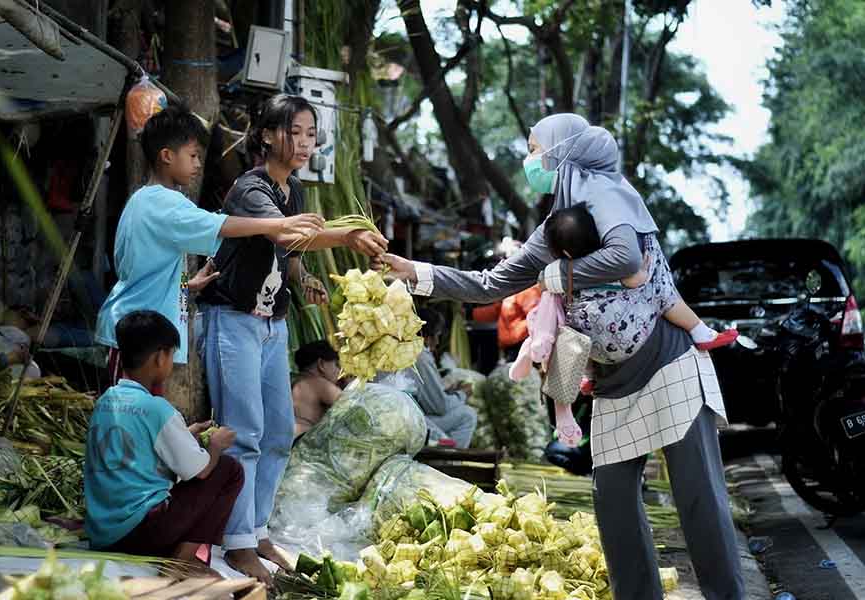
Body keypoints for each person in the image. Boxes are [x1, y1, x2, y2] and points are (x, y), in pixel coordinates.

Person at [378, 114, 744, 599]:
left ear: (561, 150)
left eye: (534, 148)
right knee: (613, 505)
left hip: (668, 368)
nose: (530, 160)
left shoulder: (608, 193)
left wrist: (562, 278)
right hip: (615, 384)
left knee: (699, 502)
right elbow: (492, 282)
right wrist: (416, 273)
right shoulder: (554, 227)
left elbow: (628, 259)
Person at [197, 94, 388, 582]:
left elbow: (291, 251)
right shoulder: (250, 187)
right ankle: (236, 541)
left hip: (271, 324)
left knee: (279, 434)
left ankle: (256, 530)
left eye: (309, 134)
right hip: (235, 320)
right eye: (293, 132)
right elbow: (285, 236)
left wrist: (302, 277)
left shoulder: (295, 191)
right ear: (265, 136)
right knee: (244, 432)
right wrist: (345, 237)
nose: (304, 143)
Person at [95, 105, 324, 396]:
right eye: (192, 156)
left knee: (139, 417)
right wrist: (276, 225)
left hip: (144, 333)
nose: (198, 164)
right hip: (133, 337)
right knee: (126, 415)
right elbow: (219, 224)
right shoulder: (161, 202)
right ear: (167, 156)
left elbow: (146, 269)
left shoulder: (150, 200)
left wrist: (187, 287)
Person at [83, 311, 242, 575]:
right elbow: (200, 470)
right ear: (160, 357)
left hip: (104, 536)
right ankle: (181, 561)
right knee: (228, 470)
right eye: (171, 355)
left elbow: (141, 444)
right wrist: (214, 445)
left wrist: (186, 433)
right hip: (140, 531)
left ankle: (178, 557)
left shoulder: (106, 401)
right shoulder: (157, 409)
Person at [544, 204, 737, 365]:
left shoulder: (565, 272)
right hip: (627, 339)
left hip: (592, 351)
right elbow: (635, 280)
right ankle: (701, 332)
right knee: (659, 291)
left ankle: (589, 376)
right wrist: (644, 274)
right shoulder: (612, 260)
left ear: (566, 253)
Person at [398, 307, 477, 449]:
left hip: (404, 416)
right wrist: (462, 394)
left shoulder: (402, 348)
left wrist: (447, 392)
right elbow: (438, 407)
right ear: (427, 337)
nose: (438, 342)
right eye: (437, 335)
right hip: (407, 422)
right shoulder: (420, 356)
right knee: (468, 415)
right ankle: (449, 464)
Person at [292, 340, 343, 438]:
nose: (339, 371)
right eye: (336, 365)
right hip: (304, 442)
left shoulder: (296, 383)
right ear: (321, 364)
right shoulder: (317, 383)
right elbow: (352, 405)